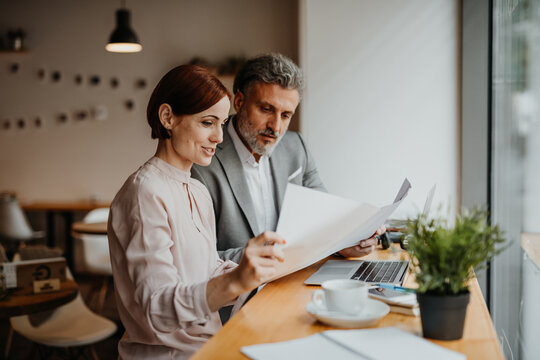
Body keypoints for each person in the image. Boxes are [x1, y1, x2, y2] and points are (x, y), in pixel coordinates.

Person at [107, 64, 285, 360]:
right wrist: (235, 281)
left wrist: (256, 271)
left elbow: (206, 269)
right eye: (207, 122)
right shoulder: (144, 193)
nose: (219, 137)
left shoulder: (197, 191)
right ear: (168, 118)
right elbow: (156, 309)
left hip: (209, 347)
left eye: (222, 123)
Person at [192, 53, 383, 265]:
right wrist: (258, 256)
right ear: (238, 101)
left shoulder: (296, 147)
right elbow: (197, 258)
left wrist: (346, 241)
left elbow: (325, 215)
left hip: (296, 278)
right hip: (241, 293)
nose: (276, 126)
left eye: (285, 115)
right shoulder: (202, 160)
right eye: (266, 109)